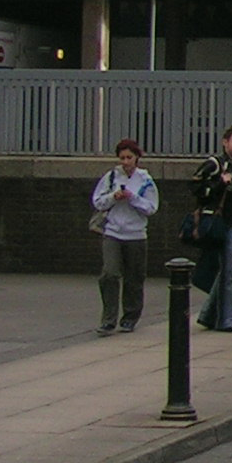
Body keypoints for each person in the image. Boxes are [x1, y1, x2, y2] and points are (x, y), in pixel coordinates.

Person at [90, 138, 159, 335]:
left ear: (137, 157)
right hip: (113, 232)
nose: (126, 162)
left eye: (129, 157)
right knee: (109, 274)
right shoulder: (111, 177)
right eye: (122, 158)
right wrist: (114, 197)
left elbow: (151, 207)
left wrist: (133, 198)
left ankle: (130, 317)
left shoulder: (145, 180)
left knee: (134, 277)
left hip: (136, 235)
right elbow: (98, 202)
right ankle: (108, 319)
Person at [193, 126, 232, 332]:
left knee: (227, 273)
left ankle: (208, 316)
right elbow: (196, 187)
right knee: (229, 274)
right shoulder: (215, 164)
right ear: (224, 142)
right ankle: (227, 321)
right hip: (223, 226)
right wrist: (220, 182)